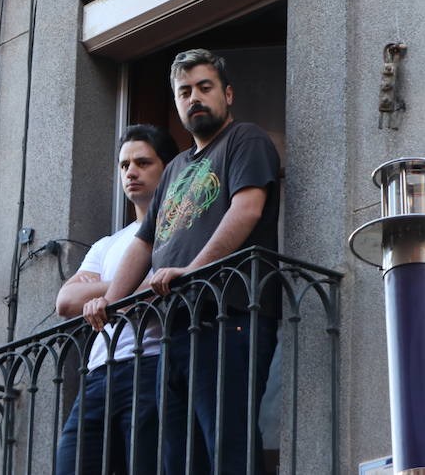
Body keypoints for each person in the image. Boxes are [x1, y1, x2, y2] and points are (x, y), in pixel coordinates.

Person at [84, 49, 280, 474]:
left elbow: (246, 210)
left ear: (227, 94)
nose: (195, 98)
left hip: (229, 316)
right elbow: (143, 244)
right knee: (178, 459)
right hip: (173, 330)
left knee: (228, 446)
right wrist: (111, 305)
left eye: (204, 88)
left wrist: (193, 272)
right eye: (185, 91)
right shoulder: (174, 169)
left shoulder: (246, 140)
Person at [55, 124, 179, 474]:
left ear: (167, 169)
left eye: (142, 162)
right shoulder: (106, 244)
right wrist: (120, 287)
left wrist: (104, 294)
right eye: (124, 165)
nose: (131, 172)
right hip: (97, 373)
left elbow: (153, 290)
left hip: (150, 363)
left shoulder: (179, 230)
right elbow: (66, 302)